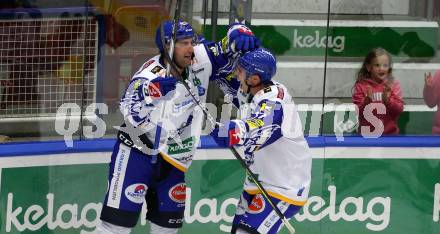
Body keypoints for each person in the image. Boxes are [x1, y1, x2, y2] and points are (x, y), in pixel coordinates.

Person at [97, 20, 260, 234]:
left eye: (191, 41)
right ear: (167, 46)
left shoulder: (199, 59)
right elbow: (128, 107)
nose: (190, 48)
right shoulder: (150, 73)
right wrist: (152, 92)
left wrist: (240, 33)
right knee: (114, 227)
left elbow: (226, 45)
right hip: (136, 155)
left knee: (166, 229)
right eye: (183, 43)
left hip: (174, 159)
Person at [210, 48, 312, 234]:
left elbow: (264, 123)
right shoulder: (251, 90)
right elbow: (219, 73)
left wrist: (235, 130)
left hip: (284, 187)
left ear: (254, 79)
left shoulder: (275, 100)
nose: (236, 75)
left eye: (240, 72)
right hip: (258, 183)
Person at [352, 47, 404, 135]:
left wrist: (388, 101)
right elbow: (357, 113)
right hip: (366, 137)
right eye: (377, 65)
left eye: (385, 65)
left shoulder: (393, 85)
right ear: (369, 67)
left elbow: (399, 110)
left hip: (390, 136)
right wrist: (366, 102)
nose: (381, 68)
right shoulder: (361, 86)